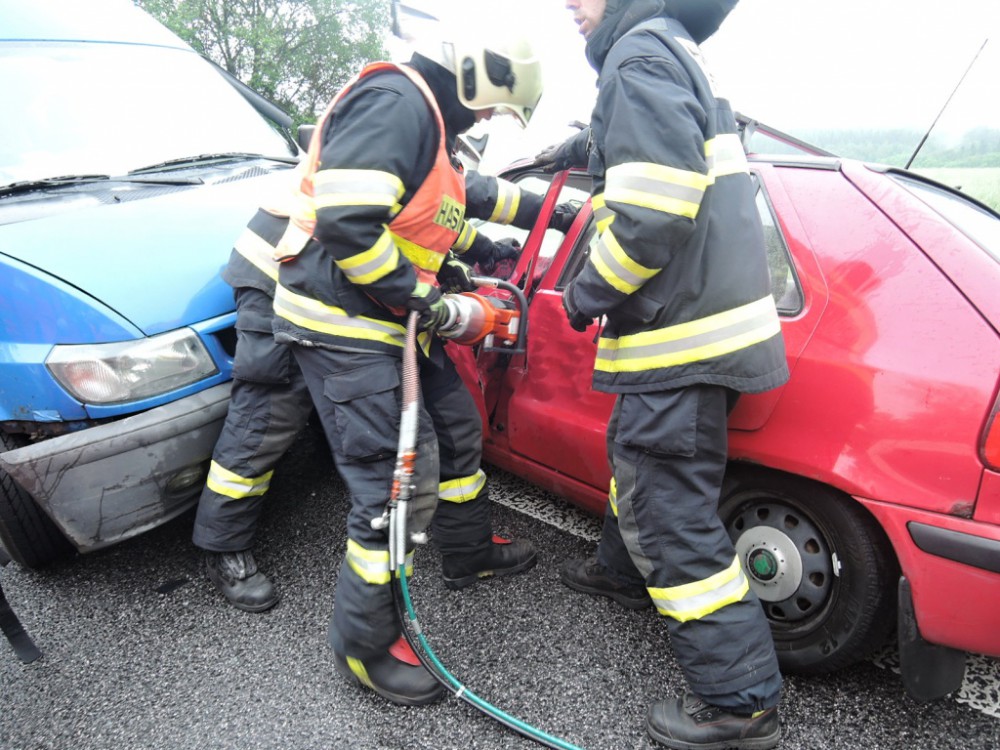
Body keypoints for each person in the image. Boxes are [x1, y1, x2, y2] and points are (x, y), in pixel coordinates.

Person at [270, 33, 545, 706]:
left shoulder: (429, 128)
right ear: (472, 77)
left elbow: (444, 210)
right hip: (347, 327)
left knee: (457, 430)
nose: (486, 119)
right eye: (491, 107)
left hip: (392, 323)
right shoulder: (398, 102)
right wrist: (435, 305)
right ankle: (364, 645)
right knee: (396, 485)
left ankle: (467, 553)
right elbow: (346, 223)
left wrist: (550, 211)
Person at [553, 1, 789, 748]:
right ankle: (622, 573)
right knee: (639, 470)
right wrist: (579, 147)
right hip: (699, 335)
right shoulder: (670, 48)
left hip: (679, 343)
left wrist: (583, 293)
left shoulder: (638, 57)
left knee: (668, 513)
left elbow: (651, 216)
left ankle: (740, 702)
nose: (568, 4)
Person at [190, 167, 570, 614]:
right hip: (288, 280)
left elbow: (441, 210)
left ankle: (468, 550)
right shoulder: (401, 135)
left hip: (377, 298)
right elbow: (475, 195)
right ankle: (224, 548)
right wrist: (556, 212)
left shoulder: (437, 157)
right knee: (269, 418)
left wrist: (473, 254)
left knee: (452, 416)